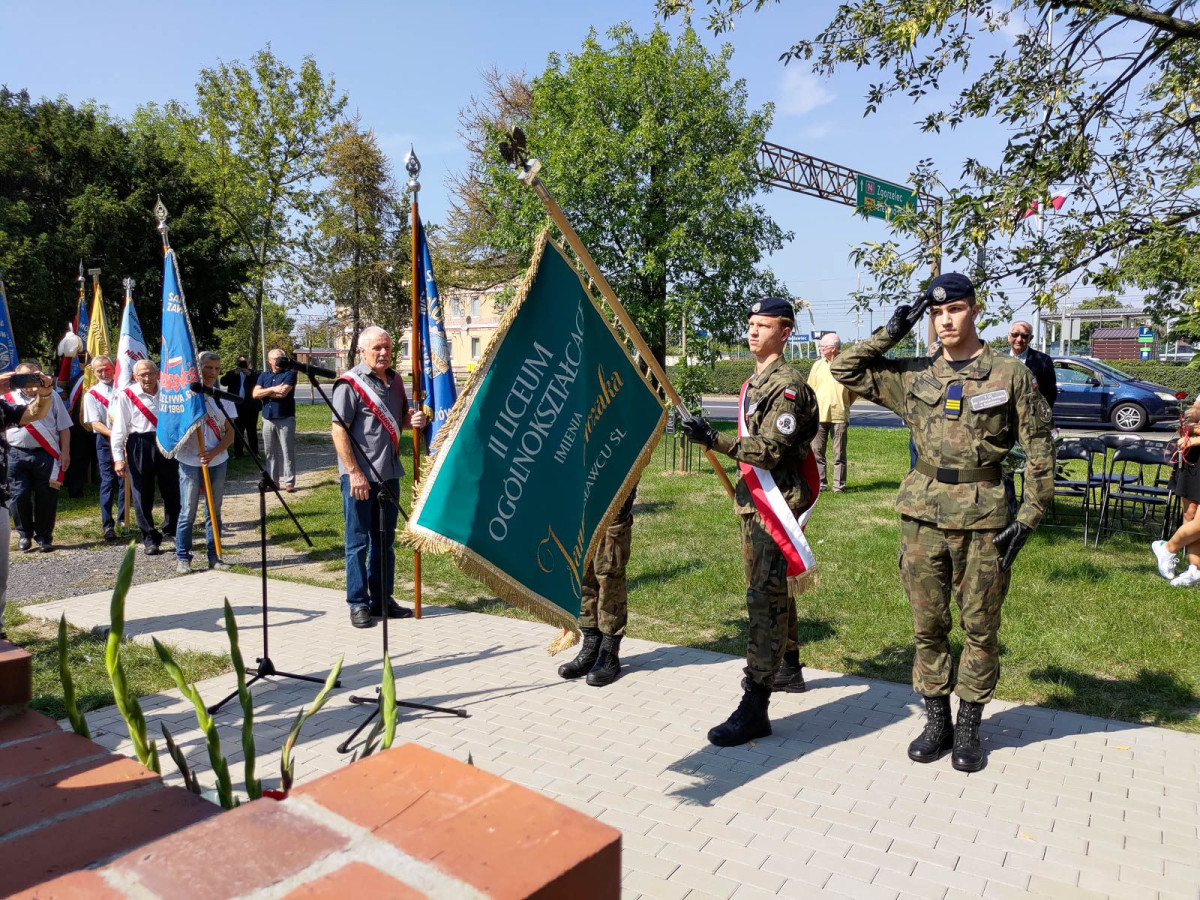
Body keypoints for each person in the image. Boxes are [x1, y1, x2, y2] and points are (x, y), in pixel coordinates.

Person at [831, 272, 1054, 773]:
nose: (943, 320)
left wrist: (1030, 516)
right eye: (934, 313)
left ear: (974, 309)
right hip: (922, 515)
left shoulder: (1008, 374)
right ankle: (937, 721)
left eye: (952, 310)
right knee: (928, 626)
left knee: (979, 626)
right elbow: (844, 369)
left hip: (984, 517)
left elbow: (1041, 447)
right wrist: (891, 330)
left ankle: (970, 725)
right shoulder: (915, 373)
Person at [680, 297, 819, 747]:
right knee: (773, 591)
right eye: (751, 324)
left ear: (785, 332)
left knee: (763, 599)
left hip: (775, 504)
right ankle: (789, 668)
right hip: (755, 502)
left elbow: (771, 451)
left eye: (764, 325)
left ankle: (755, 703)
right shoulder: (755, 382)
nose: (753, 331)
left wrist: (713, 439)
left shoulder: (788, 386)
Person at [331, 326, 427, 628]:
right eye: (377, 348)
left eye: (387, 347)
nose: (384, 353)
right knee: (358, 542)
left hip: (389, 474)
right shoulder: (349, 384)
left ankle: (382, 599)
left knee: (384, 542)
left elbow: (398, 421)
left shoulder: (396, 381)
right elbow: (338, 430)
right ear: (362, 351)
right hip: (359, 478)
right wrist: (354, 473)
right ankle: (358, 603)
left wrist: (414, 421)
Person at [557, 486, 636, 687]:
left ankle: (609, 652)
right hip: (583, 489)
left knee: (609, 573)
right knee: (583, 570)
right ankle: (591, 646)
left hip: (614, 480)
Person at [0, 367, 56, 636]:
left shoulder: (2, 406)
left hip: (0, 497)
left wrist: (44, 394)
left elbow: (33, 414)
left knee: (1, 572)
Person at [174, 351, 235, 574]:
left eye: (217, 369)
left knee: (214, 511)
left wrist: (214, 453)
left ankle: (215, 555)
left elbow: (230, 434)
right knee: (188, 510)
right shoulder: (186, 397)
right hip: (190, 460)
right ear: (198, 369)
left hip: (217, 460)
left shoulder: (222, 397)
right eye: (208, 368)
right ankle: (182, 556)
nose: (212, 373)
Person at [111, 359, 181, 556]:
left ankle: (172, 528)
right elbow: (119, 428)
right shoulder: (127, 395)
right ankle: (150, 537)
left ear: (158, 373)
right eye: (142, 374)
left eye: (150, 373)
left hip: (166, 442)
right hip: (139, 443)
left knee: (172, 489)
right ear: (135, 376)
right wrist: (118, 457)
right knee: (142, 493)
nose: (147, 378)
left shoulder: (169, 391)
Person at [5, 362, 72, 552]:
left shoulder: (53, 396)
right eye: (26, 377)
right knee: (19, 496)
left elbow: (64, 427)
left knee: (47, 496)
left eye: (35, 376)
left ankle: (44, 537)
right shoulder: (6, 397)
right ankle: (24, 534)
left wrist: (65, 452)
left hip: (46, 453)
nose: (31, 382)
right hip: (15, 453)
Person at [1153, 392, 1200, 586]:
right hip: (1195, 459)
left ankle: (1168, 548)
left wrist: (1196, 437)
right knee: (1190, 514)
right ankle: (1195, 570)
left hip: (1194, 446)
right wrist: (1187, 420)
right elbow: (1195, 414)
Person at [81, 355, 125, 541]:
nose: (104, 373)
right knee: (108, 482)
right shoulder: (91, 394)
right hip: (106, 441)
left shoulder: (123, 388)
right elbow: (95, 424)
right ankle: (108, 525)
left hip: (128, 440)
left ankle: (124, 520)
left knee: (126, 481)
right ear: (93, 371)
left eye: (107, 369)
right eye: (99, 370)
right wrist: (117, 436)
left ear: (113, 367)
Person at [808, 333, 855, 493]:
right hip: (819, 416)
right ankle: (821, 484)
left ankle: (838, 486)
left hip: (839, 416)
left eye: (823, 346)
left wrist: (845, 404)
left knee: (839, 453)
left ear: (833, 348)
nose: (820, 348)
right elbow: (810, 390)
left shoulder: (846, 365)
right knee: (817, 452)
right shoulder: (817, 366)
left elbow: (854, 391)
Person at [254, 349, 298, 492]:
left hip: (285, 417)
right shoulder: (263, 375)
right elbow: (255, 394)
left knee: (287, 451)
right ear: (270, 361)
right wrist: (272, 389)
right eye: (277, 358)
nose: (280, 360)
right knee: (270, 452)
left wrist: (265, 392)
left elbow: (283, 393)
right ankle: (273, 482)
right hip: (267, 418)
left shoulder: (290, 373)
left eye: (282, 357)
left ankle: (289, 482)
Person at [1008, 321, 1058, 407]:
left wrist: (1041, 414)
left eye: (1024, 336)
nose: (1019, 339)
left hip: (1030, 416)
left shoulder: (1043, 360)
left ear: (1030, 338)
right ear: (1009, 336)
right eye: (1015, 335)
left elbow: (1050, 392)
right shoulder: (998, 359)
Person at [220, 354, 261, 459]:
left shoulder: (254, 373)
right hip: (236, 407)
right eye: (240, 362)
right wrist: (234, 373)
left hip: (251, 407)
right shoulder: (232, 373)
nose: (242, 364)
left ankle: (255, 453)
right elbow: (223, 382)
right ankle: (238, 453)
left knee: (252, 430)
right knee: (238, 430)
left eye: (244, 362)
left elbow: (259, 382)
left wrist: (249, 374)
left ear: (248, 362)